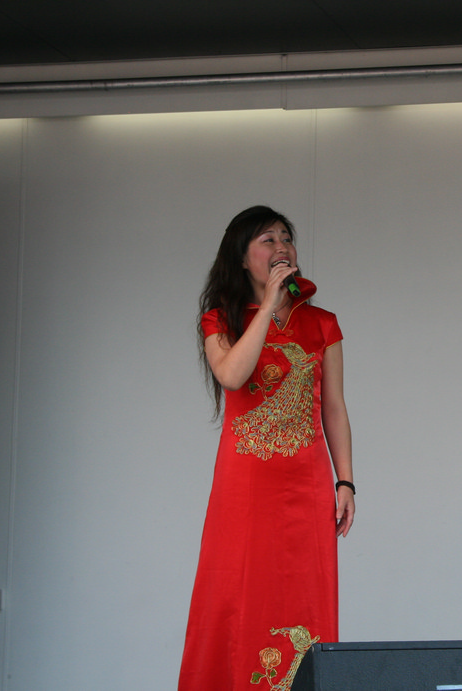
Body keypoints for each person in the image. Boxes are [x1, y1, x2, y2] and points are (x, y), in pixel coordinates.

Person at [179, 206, 355, 690]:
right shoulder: (220, 319)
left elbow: (334, 408)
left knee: (304, 592)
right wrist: (268, 306)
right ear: (242, 258)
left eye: (286, 238)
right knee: (239, 590)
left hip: (306, 485)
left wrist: (345, 481)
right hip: (246, 486)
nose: (282, 247)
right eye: (267, 240)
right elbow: (232, 375)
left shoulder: (322, 324)